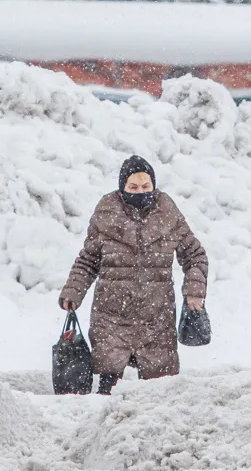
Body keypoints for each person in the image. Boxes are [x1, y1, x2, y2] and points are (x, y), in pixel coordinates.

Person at [58, 156, 208, 394]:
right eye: (133, 187)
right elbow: (88, 261)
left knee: (158, 390)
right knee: (108, 386)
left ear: (154, 186)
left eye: (146, 186)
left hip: (157, 317)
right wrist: (73, 292)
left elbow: (195, 257)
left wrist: (194, 293)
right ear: (123, 188)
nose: (140, 192)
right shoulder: (106, 214)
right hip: (112, 315)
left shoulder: (168, 215)